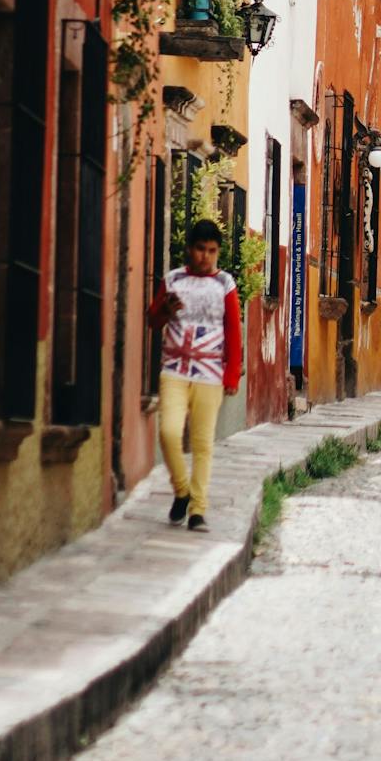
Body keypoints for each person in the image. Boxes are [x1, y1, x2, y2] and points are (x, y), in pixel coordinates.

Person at [147, 218, 243, 531]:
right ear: (190, 249)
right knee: (169, 433)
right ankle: (182, 491)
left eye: (212, 251)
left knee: (203, 444)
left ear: (218, 253)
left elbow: (233, 331)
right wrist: (165, 309)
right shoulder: (172, 280)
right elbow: (153, 321)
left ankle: (198, 509)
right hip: (174, 369)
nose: (206, 256)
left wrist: (231, 375)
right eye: (201, 249)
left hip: (209, 372)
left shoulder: (225, 284)